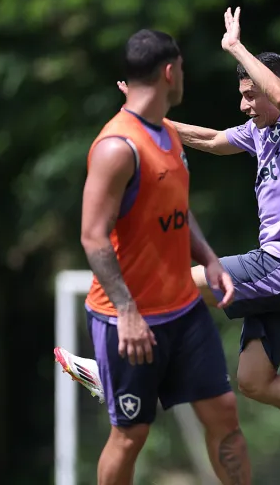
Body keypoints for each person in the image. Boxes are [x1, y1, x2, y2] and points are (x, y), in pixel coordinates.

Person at [58, 8, 280, 485]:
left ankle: (115, 375)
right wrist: (146, 121)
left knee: (185, 284)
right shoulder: (259, 133)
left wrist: (235, 47)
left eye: (250, 94)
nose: (245, 105)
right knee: (254, 380)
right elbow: (210, 140)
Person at [75, 28, 251, 484]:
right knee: (130, 435)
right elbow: (93, 237)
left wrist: (209, 257)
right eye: (183, 70)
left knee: (224, 415)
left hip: (184, 312)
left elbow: (176, 207)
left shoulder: (168, 134)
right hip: (129, 321)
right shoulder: (117, 147)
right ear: (170, 72)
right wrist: (129, 314)